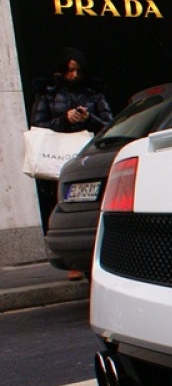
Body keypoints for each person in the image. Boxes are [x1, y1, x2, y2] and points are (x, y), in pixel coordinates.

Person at [28, 47, 114, 277]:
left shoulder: (93, 92)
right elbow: (37, 125)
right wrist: (64, 119)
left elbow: (109, 124)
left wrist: (88, 118)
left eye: (77, 71)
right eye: (68, 71)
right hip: (58, 156)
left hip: (88, 154)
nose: (73, 76)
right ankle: (71, 261)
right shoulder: (47, 91)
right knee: (63, 205)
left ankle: (96, 256)